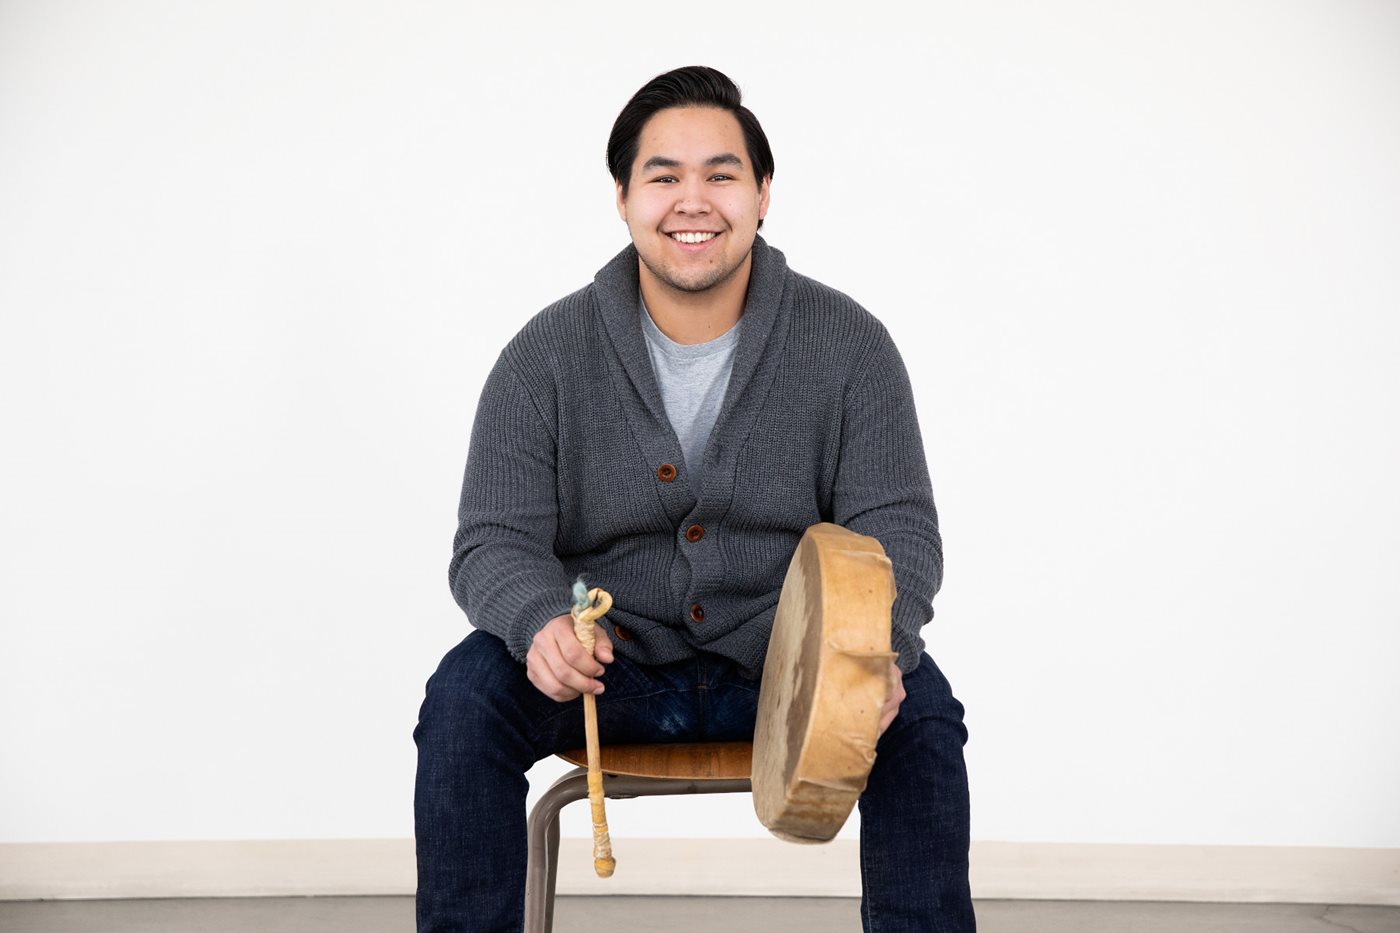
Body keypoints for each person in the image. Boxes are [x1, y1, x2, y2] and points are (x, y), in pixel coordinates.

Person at [414, 65, 974, 933]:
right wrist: (539, 625)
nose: (693, 200)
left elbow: (898, 527)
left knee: (923, 710)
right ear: (623, 196)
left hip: (792, 668)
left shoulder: (851, 345)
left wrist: (878, 649)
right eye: (663, 176)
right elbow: (491, 538)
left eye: (721, 173)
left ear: (762, 194)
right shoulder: (545, 354)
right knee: (464, 696)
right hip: (610, 670)